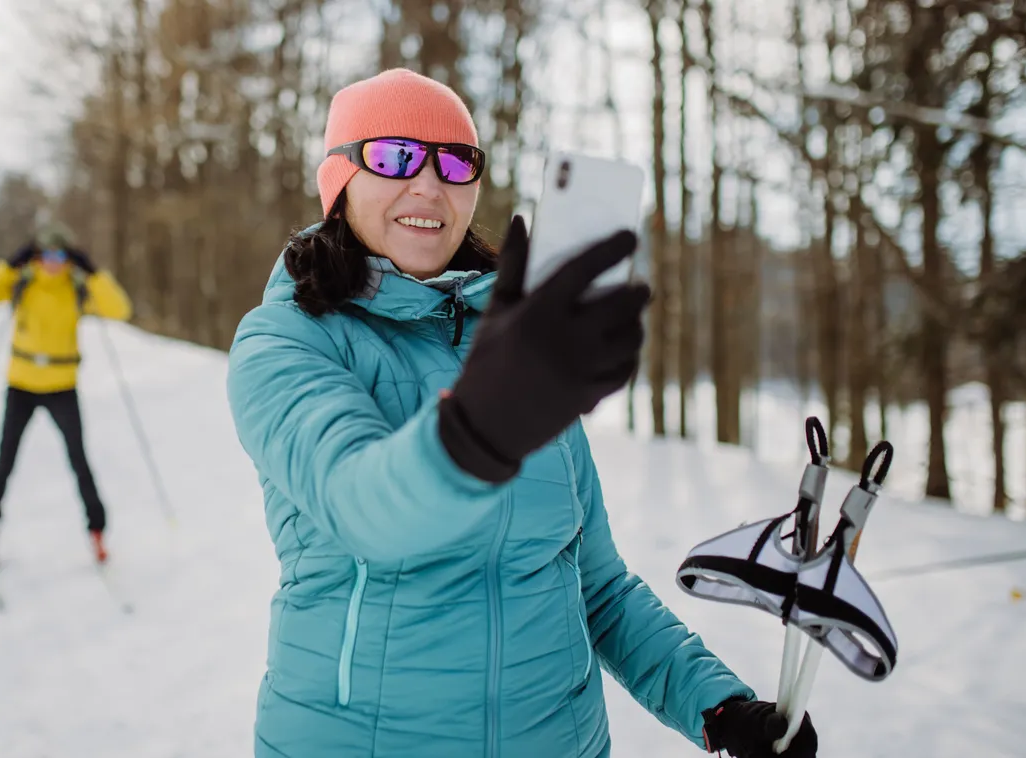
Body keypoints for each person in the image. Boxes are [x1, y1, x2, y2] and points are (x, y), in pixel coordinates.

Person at [226, 68, 819, 758]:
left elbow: (592, 583)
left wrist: (718, 707)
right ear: (339, 179)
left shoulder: (517, 349)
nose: (428, 185)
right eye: (392, 157)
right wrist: (482, 422)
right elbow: (364, 508)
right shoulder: (287, 339)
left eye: (455, 161)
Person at [0, 223, 132, 566]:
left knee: (79, 462)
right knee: (4, 462)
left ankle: (97, 533)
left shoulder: (76, 287)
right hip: (21, 386)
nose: (53, 263)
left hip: (61, 387)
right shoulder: (22, 283)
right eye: (45, 255)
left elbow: (119, 310)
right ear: (35, 257)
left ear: (69, 258)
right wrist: (9, 265)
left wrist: (94, 272)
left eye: (60, 255)